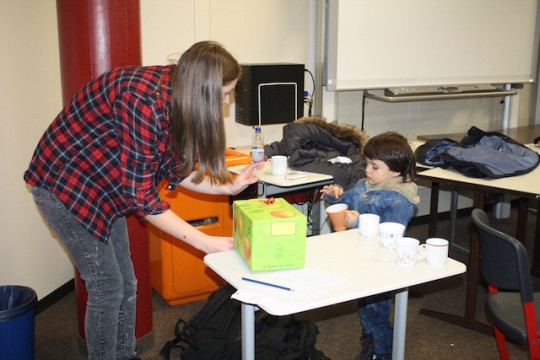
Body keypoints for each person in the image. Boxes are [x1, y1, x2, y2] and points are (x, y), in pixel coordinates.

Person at [24, 41, 263, 360]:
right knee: (107, 288)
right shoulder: (145, 102)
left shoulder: (177, 97)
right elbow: (143, 199)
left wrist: (229, 187)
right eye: (224, 94)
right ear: (202, 90)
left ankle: (125, 354)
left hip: (107, 186)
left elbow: (174, 170)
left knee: (127, 282)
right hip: (64, 186)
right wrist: (204, 242)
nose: (227, 102)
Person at [320, 131, 419, 360]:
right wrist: (336, 195)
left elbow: (390, 237)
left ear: (395, 171)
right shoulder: (368, 185)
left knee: (377, 314)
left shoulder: (398, 200)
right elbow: (348, 199)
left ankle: (383, 353)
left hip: (381, 267)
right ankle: (370, 345)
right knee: (365, 310)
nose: (367, 170)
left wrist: (357, 224)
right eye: (367, 164)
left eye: (374, 166)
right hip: (362, 261)